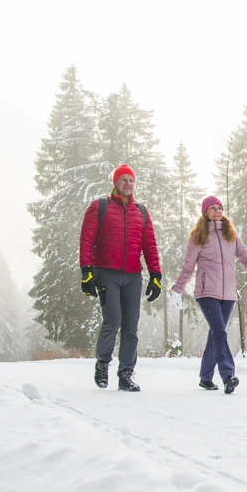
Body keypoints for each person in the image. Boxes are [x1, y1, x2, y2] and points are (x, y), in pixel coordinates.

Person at [79, 164, 162, 392]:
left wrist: (155, 275)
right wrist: (87, 272)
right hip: (106, 273)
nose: (128, 183)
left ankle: (126, 374)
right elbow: (86, 240)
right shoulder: (100, 207)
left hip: (133, 276)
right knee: (113, 320)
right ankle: (102, 363)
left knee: (130, 326)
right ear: (115, 182)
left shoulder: (141, 212)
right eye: (124, 179)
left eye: (131, 180)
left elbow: (150, 245)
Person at [170, 195, 247, 394]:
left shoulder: (231, 234)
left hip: (228, 294)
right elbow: (188, 267)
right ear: (205, 211)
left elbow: (244, 254)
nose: (217, 211)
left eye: (220, 208)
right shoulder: (198, 236)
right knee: (220, 332)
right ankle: (228, 375)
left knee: (215, 334)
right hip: (207, 293)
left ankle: (205, 378)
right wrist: (178, 290)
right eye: (212, 208)